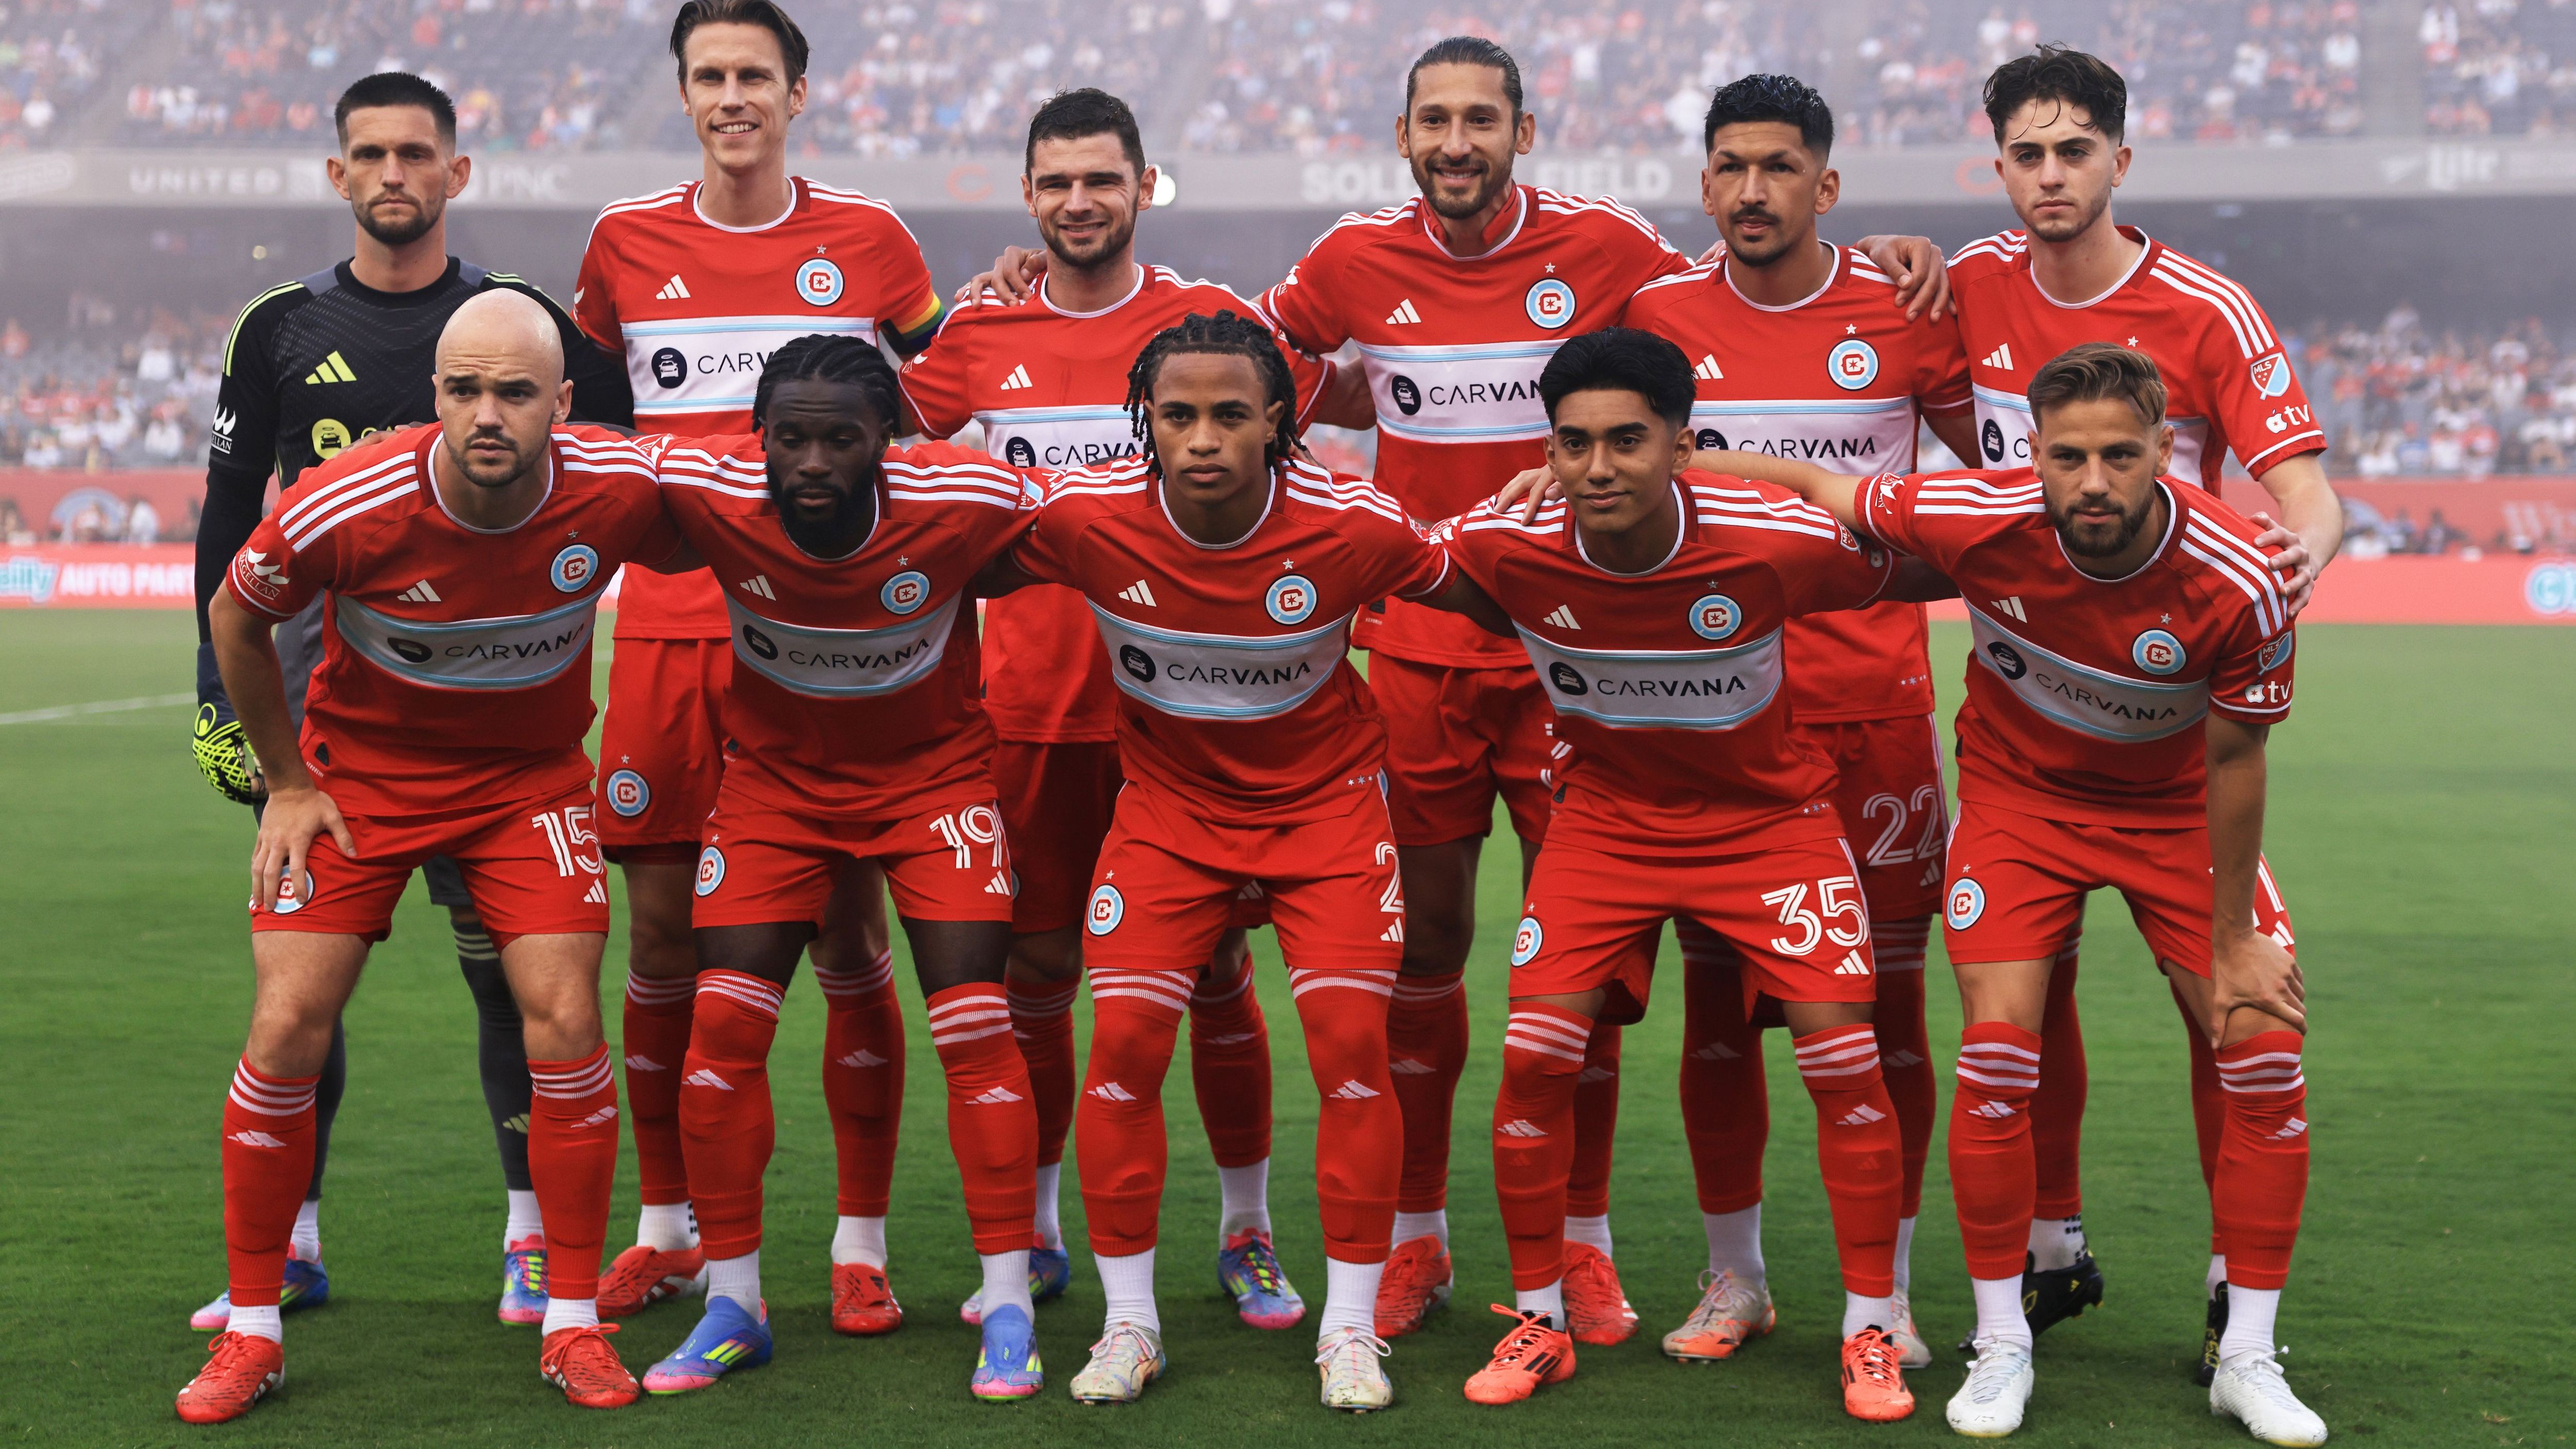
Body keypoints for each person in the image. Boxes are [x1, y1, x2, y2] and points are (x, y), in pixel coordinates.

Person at [1732, 344, 2320, 1445]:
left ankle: (2247, 1353)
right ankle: (2001, 1339)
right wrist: (1678, 457)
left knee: (2263, 1051)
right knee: (1997, 1055)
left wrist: (2235, 939)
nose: (2091, 482)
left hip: (2173, 814)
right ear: (2032, 456)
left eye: (2117, 455)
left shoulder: (2240, 573)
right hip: (2021, 810)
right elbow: (1817, 486)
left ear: (2163, 454)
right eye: (2066, 457)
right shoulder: (1972, 513)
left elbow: (2237, 759)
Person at [897, 87, 1364, 1330]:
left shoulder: (1213, 331)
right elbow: (888, 469)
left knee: (1212, 973)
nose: (1078, 203)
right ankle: (1045, 1228)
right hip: (1032, 713)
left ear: (1143, 185)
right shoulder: (976, 334)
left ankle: (1248, 1230)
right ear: (1028, 195)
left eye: (1102, 180)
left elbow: (1301, 477)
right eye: (1054, 183)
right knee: (1040, 971)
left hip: (1191, 719)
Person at [981, 310, 1509, 1410]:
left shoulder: (1352, 521)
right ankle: (1131, 1325)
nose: (1204, 438)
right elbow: (942, 551)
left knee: (1353, 1045)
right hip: (1169, 812)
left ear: (1277, 419)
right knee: (1122, 1039)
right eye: (1178, 416)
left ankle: (1350, 1332)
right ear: (1147, 424)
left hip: (1324, 813)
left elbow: (1485, 592)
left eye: (1230, 414)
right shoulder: (1084, 520)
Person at [181, 290, 685, 1424]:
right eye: (464, 391)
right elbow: (236, 616)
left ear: (563, 402)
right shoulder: (346, 501)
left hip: (528, 786)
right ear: (436, 398)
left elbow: (752, 515)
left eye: (515, 393)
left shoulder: (620, 485)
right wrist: (289, 784)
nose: (487, 415)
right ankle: (254, 1329)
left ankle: (569, 1321)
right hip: (358, 782)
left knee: (564, 1019)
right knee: (284, 1023)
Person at [1441, 328, 1931, 1422]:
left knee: (1845, 1061)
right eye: (1572, 444)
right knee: (1533, 1057)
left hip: (1769, 823)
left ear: (1681, 445)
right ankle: (1538, 1320)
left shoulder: (1769, 539)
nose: (1598, 467)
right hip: (1606, 825)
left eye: (1626, 440)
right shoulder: (1503, 542)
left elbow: (1943, 555)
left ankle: (1869, 1326)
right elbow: (1370, 560)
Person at [1944, 47, 2339, 1366]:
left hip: (2165, 710)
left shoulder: (2207, 309)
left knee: (2223, 1005)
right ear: (1995, 163)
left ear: (2121, 157)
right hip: (2018, 719)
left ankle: (2239, 1282)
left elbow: (2300, 488)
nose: (2050, 176)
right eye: (2025, 154)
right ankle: (2048, 1250)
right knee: (2022, 1005)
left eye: (2074, 151)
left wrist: (2286, 570)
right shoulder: (1964, 289)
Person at [572, 0, 949, 1331]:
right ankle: (668, 1226)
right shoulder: (622, 246)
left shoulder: (870, 243)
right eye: (708, 76)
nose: (731, 96)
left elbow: (941, 400)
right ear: (683, 94)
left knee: (849, 936)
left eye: (753, 75)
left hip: (824, 646)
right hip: (671, 640)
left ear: (798, 93)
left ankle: (859, 1241)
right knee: (664, 942)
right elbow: (598, 446)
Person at [1610, 73, 1982, 1373]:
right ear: (1702, 181)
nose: (1752, 190)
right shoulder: (1654, 316)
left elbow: (1984, 492)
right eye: (1729, 167)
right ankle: (1736, 1277)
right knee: (1720, 1012)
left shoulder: (1905, 309)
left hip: (1869, 714)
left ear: (1827, 186)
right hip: (1710, 721)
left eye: (1779, 167)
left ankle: (1889, 1290)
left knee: (1884, 1014)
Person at [633, 335, 1045, 1402]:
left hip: (933, 785)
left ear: (888, 442)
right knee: (722, 1028)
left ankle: (1006, 1300)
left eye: (840, 440)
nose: (811, 462)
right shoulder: (710, 489)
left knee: (976, 1026)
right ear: (757, 437)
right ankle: (735, 1302)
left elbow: (1098, 509)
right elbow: (580, 472)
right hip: (774, 788)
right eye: (791, 438)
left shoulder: (965, 495)